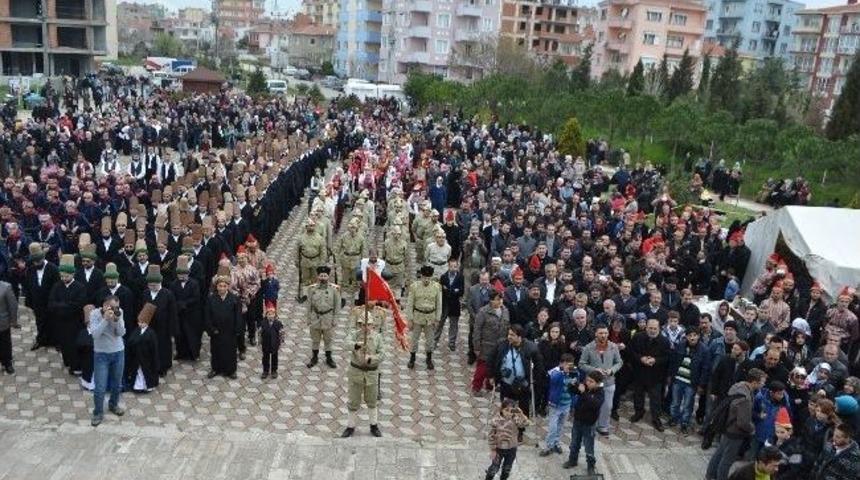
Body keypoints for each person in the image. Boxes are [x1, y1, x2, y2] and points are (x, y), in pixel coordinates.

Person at [707, 368, 768, 480]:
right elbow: (743, 422)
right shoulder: (745, 398)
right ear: (754, 382)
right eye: (762, 382)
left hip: (727, 427)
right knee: (727, 461)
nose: (763, 384)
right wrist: (752, 428)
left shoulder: (737, 387)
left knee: (719, 453)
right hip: (735, 432)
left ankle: (710, 475)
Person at [488, 325, 543, 443]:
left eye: (512, 335)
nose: (509, 337)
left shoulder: (531, 348)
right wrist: (492, 375)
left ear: (520, 337)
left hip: (522, 384)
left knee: (521, 409)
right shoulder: (502, 345)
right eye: (508, 334)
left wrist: (533, 382)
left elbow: (539, 367)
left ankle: (520, 431)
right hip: (506, 382)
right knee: (505, 407)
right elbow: (492, 359)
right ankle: (503, 429)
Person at [341, 308, 384, 438]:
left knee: (372, 401)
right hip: (356, 373)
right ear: (360, 325)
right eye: (363, 324)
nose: (366, 327)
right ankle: (350, 426)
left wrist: (371, 359)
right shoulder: (354, 334)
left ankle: (374, 425)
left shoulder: (378, 337)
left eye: (369, 324)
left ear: (373, 325)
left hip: (371, 374)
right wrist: (355, 345)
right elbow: (345, 344)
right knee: (353, 401)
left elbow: (382, 354)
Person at [579, 323, 623, 435]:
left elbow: (619, 362)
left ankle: (603, 426)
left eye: (605, 333)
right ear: (596, 334)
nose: (603, 335)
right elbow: (581, 364)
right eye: (601, 333)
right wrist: (594, 370)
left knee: (608, 406)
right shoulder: (588, 348)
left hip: (609, 381)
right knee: (591, 404)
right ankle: (589, 424)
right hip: (593, 383)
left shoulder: (613, 347)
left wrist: (612, 370)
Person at [89, 295, 126, 427]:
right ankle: (98, 413)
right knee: (100, 386)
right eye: (112, 307)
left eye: (117, 307)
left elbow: (121, 333)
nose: (115, 309)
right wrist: (105, 319)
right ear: (104, 305)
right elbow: (95, 334)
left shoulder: (119, 312)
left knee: (117, 384)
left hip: (118, 352)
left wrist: (117, 320)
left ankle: (113, 405)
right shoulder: (94, 314)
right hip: (101, 354)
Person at [629, 318, 671, 431]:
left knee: (655, 398)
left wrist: (655, 360)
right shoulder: (638, 337)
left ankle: (656, 418)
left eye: (655, 328)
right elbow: (631, 352)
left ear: (659, 328)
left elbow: (667, 357)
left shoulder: (665, 341)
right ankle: (639, 412)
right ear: (646, 327)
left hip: (656, 375)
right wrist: (641, 358)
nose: (652, 330)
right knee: (638, 394)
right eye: (650, 328)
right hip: (640, 372)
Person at [668, 327, 711, 434]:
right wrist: (670, 375)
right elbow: (673, 361)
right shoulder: (680, 345)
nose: (692, 338)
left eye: (694, 335)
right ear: (686, 336)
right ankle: (674, 418)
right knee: (675, 402)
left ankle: (684, 422)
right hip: (677, 380)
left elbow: (705, 369)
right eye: (689, 335)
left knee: (688, 404)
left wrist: (701, 385)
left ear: (698, 336)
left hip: (691, 383)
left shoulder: (704, 350)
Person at [562, 370, 605, 474]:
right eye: (587, 380)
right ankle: (572, 460)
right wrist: (572, 385)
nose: (588, 383)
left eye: (591, 381)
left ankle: (591, 466)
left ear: (598, 383)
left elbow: (594, 404)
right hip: (577, 421)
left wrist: (583, 392)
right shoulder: (585, 387)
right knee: (574, 443)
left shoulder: (600, 392)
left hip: (589, 424)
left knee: (589, 446)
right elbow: (573, 391)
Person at [473, 290, 511, 395]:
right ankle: (476, 387)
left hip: (500, 345)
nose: (500, 302)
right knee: (482, 368)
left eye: (501, 299)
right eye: (497, 299)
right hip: (486, 345)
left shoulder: (505, 311)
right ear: (491, 300)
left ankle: (490, 385)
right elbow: (477, 330)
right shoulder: (483, 312)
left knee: (496, 367)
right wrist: (476, 346)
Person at [205, 272, 242, 380]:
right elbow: (207, 316)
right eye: (220, 286)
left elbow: (238, 316)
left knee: (230, 351)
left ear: (228, 287)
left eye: (224, 286)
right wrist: (211, 329)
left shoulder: (234, 299)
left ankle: (231, 370)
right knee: (215, 350)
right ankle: (215, 369)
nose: (222, 288)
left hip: (230, 331)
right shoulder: (211, 299)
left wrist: (237, 329)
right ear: (216, 286)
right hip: (216, 331)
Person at [540, 353, 577, 456]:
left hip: (567, 404)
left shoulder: (573, 371)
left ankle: (556, 443)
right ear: (561, 363)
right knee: (553, 427)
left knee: (561, 426)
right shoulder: (555, 372)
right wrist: (563, 372)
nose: (569, 367)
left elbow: (576, 383)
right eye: (567, 364)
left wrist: (574, 373)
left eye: (571, 364)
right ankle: (549, 446)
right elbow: (554, 380)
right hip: (555, 405)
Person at [406, 265, 442, 370]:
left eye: (428, 278)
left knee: (430, 340)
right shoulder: (414, 286)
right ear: (421, 276)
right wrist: (410, 319)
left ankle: (429, 358)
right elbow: (410, 304)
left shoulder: (436, 287)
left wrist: (437, 319)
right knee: (414, 339)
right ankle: (412, 358)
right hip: (417, 316)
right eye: (424, 277)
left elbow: (439, 304)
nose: (426, 280)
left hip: (430, 317)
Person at [485, 398, 529, 480]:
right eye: (506, 410)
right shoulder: (496, 420)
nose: (509, 413)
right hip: (499, 449)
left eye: (511, 411)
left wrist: (521, 414)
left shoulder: (516, 419)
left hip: (511, 449)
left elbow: (526, 424)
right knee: (494, 468)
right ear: (502, 409)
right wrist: (493, 450)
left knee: (507, 469)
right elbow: (491, 436)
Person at [305, 266, 341, 369]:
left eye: (325, 276)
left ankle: (329, 358)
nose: (323, 277)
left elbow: (337, 306)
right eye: (321, 275)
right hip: (315, 317)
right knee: (315, 339)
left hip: (328, 317)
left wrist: (335, 319)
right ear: (318, 276)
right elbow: (309, 305)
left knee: (328, 340)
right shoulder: (312, 289)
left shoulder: (334, 290)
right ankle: (314, 357)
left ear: (328, 277)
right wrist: (308, 319)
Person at [124, 303, 159, 393]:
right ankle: (137, 386)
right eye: (139, 322)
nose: (140, 324)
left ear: (147, 322)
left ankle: (146, 386)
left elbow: (153, 348)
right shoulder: (136, 330)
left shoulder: (151, 333)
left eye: (142, 322)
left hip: (146, 357)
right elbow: (131, 341)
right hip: (136, 356)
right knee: (138, 372)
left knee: (145, 373)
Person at [435, 258, 464, 352]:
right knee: (440, 323)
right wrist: (449, 290)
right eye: (451, 266)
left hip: (455, 304)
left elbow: (461, 291)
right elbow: (440, 290)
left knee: (454, 324)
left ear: (457, 267)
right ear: (448, 266)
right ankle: (435, 340)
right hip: (445, 303)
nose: (453, 268)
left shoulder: (460, 277)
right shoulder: (443, 277)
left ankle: (452, 342)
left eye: (455, 266)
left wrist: (454, 291)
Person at [259, 301, 283, 380]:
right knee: (265, 358)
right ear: (266, 315)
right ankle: (265, 370)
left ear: (275, 314)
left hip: (274, 343)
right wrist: (260, 341)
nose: (271, 316)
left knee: (274, 357)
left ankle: (274, 370)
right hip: (265, 344)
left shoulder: (278, 323)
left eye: (272, 314)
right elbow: (260, 333)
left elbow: (281, 333)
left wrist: (281, 341)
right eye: (269, 314)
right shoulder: (263, 323)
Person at [0, 278, 17, 374]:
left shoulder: (6, 287)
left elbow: (13, 305)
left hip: (2, 323)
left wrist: (13, 321)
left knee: (5, 343)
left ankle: (7, 363)